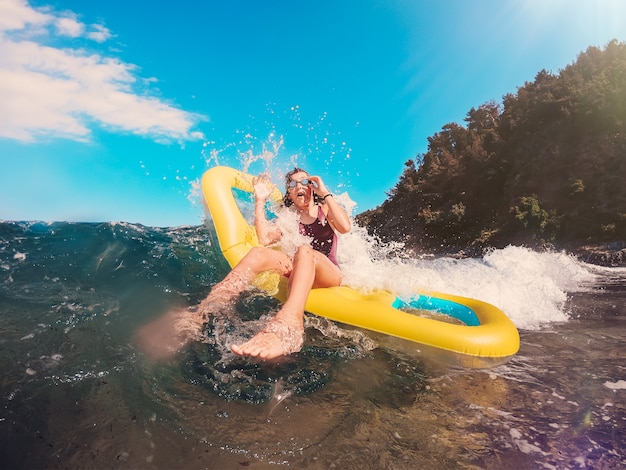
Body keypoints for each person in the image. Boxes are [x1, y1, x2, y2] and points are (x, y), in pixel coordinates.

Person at [136, 167, 351, 361]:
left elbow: (345, 227)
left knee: (304, 251)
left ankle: (290, 324)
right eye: (293, 185)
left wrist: (325, 191)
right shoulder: (290, 219)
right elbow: (265, 238)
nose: (299, 187)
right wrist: (260, 201)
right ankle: (202, 312)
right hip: (302, 265)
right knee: (258, 253)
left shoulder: (324, 209)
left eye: (304, 182)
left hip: (328, 273)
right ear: (290, 194)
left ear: (312, 186)